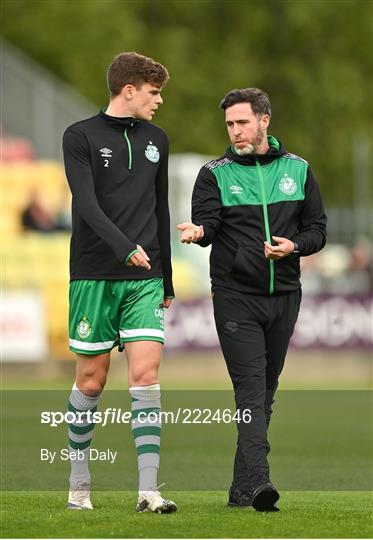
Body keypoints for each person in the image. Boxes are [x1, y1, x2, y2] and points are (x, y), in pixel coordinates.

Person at [178, 88, 327, 512]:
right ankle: (260, 482)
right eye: (229, 124)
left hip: (285, 296)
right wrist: (198, 233)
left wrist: (293, 247)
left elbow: (318, 230)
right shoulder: (214, 173)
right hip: (234, 296)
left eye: (242, 122)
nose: (236, 131)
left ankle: (240, 490)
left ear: (264, 121)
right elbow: (207, 224)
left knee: (266, 391)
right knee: (249, 390)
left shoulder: (298, 170)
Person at [62, 52, 176, 513]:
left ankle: (149, 491)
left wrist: (163, 274)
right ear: (129, 90)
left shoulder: (158, 139)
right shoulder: (79, 136)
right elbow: (85, 204)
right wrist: (123, 246)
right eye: (154, 92)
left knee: (146, 377)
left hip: (144, 277)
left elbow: (161, 206)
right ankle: (78, 484)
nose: (160, 100)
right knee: (91, 382)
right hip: (93, 272)